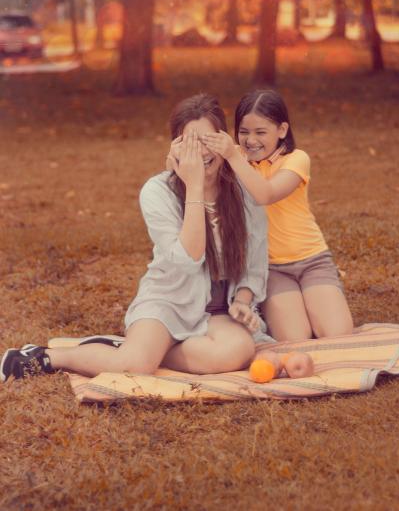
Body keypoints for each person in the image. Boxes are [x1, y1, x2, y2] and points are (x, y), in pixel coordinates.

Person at [1, 94, 268, 382]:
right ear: (174, 146)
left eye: (208, 140)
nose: (200, 151)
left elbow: (254, 261)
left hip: (218, 311)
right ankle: (51, 356)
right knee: (136, 365)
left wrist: (242, 299)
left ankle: (140, 350)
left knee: (237, 351)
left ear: (224, 140)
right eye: (189, 142)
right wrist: (194, 186)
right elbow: (188, 261)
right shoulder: (157, 192)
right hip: (169, 300)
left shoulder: (243, 191)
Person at [201, 89, 353, 342]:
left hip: (312, 260)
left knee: (337, 336)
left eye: (261, 132)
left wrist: (233, 157)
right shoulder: (235, 158)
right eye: (244, 132)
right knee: (295, 340)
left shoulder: (296, 159)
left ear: (282, 130)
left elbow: (266, 194)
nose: (251, 141)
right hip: (270, 268)